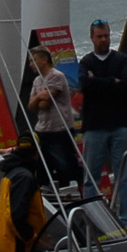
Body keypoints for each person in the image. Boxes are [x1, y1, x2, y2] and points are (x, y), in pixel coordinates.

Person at [77, 17, 127, 227]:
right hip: (94, 127)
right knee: (91, 177)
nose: (103, 40)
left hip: (121, 124)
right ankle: (93, 219)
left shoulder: (121, 59)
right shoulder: (86, 62)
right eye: (99, 36)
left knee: (125, 175)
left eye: (106, 36)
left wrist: (99, 83)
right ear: (92, 38)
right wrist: (112, 82)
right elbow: (85, 86)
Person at [24, 44, 82, 187]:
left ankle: (74, 188)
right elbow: (31, 107)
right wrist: (38, 97)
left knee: (65, 166)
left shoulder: (56, 76)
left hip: (59, 130)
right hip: (42, 130)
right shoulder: (37, 81)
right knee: (41, 167)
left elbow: (46, 104)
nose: (31, 65)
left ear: (44, 60)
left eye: (34, 60)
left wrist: (38, 100)